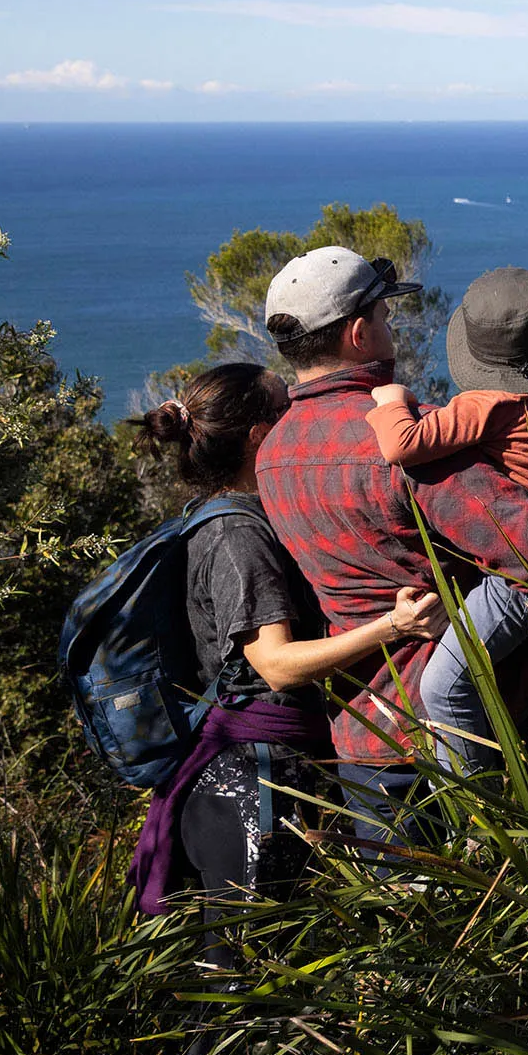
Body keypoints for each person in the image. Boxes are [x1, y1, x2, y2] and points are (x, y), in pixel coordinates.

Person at [253, 246, 528, 851]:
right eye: (387, 318)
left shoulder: (271, 455)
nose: (393, 328)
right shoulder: (411, 453)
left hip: (367, 740)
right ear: (360, 333)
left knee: (413, 928)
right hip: (493, 726)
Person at [123, 363, 446, 930]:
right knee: (247, 977)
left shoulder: (246, 516)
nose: (300, 414)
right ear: (258, 435)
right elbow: (274, 665)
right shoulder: (237, 536)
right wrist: (392, 627)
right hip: (251, 783)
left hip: (264, 769)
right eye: (285, 407)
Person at [365, 267, 528, 773]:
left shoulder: (489, 401)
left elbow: (401, 446)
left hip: (521, 570)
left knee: (442, 687)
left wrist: (390, 401)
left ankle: (483, 815)